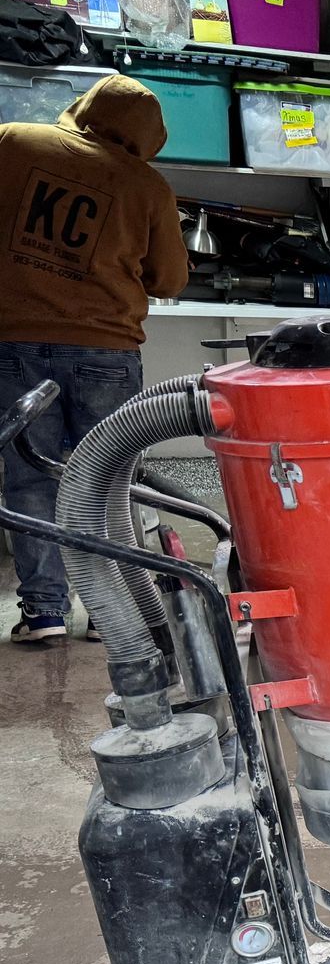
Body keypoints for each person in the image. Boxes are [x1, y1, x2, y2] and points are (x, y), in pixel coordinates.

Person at [0, 75, 188, 644]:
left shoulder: (12, 142)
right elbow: (171, 279)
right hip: (106, 350)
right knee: (108, 484)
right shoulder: (147, 186)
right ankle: (114, 616)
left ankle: (45, 613)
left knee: (27, 482)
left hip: (13, 342)